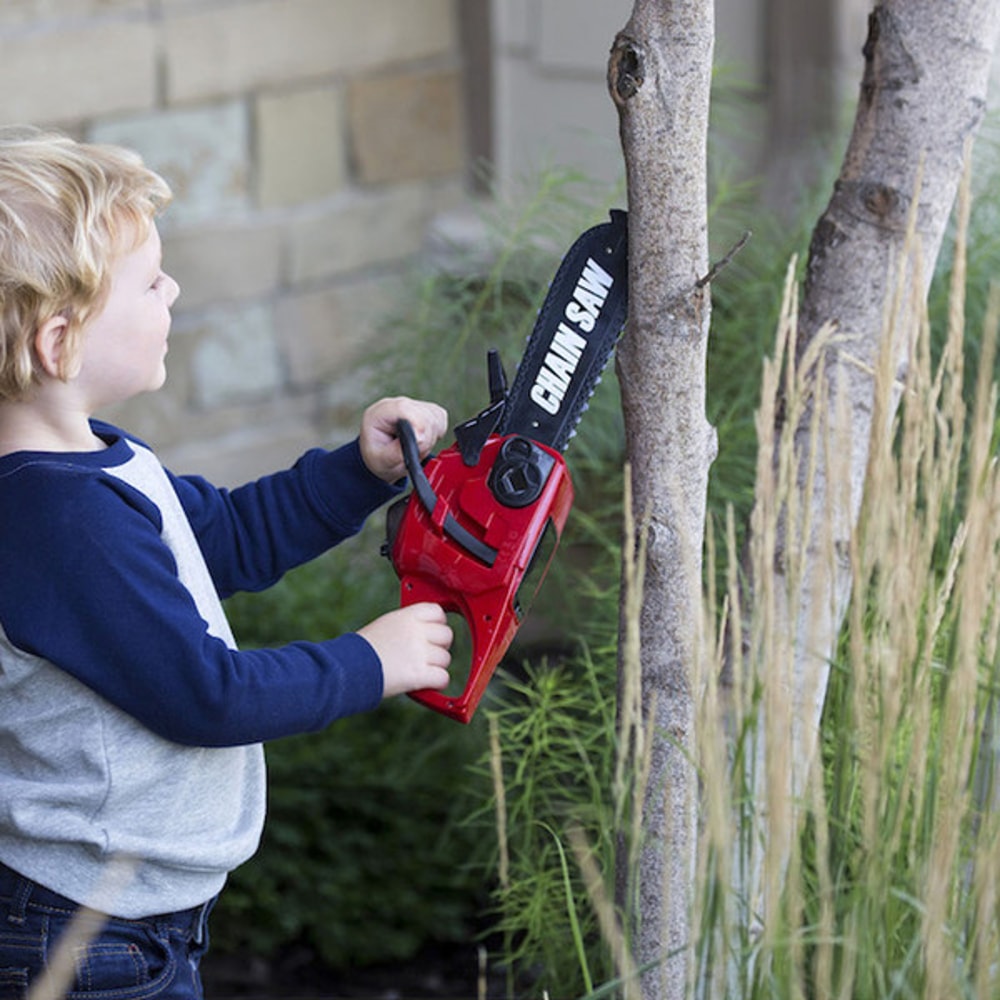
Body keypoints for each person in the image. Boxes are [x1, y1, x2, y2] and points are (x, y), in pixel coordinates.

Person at [0, 126, 454, 999]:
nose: (173, 289)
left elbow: (228, 539)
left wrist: (359, 472)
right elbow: (207, 697)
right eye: (150, 281)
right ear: (60, 343)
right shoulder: (56, 520)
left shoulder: (94, 463)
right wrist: (369, 662)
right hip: (85, 937)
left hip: (122, 921)